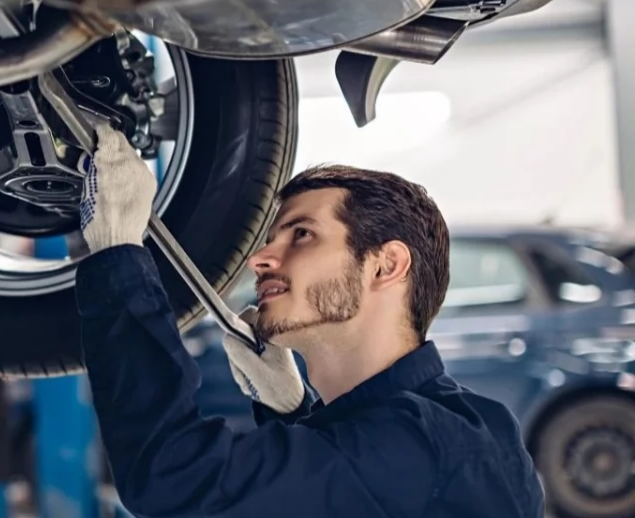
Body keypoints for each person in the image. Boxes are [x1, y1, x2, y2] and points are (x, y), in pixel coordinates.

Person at [74, 125, 545, 518]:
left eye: (302, 234)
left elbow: (172, 479)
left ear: (386, 265)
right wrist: (293, 413)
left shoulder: (418, 442)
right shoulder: (472, 424)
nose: (259, 258)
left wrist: (119, 254)